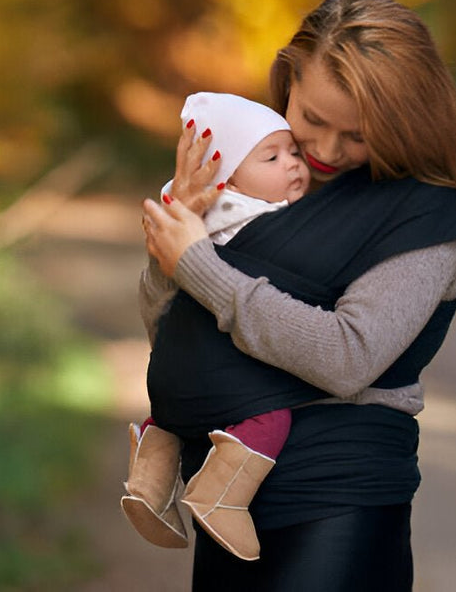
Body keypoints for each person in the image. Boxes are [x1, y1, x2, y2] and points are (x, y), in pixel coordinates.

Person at [138, 0, 456, 590]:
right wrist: (173, 242)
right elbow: (176, 335)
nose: (327, 152)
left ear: (408, 122)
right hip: (224, 500)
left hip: (338, 502)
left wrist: (198, 264)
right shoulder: (264, 177)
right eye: (312, 119)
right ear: (288, 80)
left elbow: (346, 357)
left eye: (358, 135)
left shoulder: (427, 216)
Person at [122, 90, 311, 561]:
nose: (293, 164)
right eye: (272, 157)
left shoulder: (188, 216)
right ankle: (222, 496)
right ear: (229, 178)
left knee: (174, 416)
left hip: (170, 367)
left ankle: (149, 481)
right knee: (270, 417)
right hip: (225, 371)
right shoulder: (262, 218)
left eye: (294, 152)